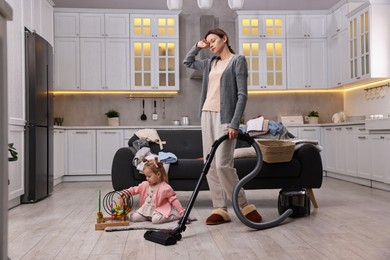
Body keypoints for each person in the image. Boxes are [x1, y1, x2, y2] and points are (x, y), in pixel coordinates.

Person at [183, 28, 262, 225]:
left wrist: (235, 122)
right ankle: (220, 208)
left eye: (213, 40)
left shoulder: (238, 61)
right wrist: (197, 46)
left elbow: (242, 95)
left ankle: (244, 205)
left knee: (223, 164)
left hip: (226, 118)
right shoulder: (210, 63)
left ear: (224, 38)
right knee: (209, 164)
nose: (210, 45)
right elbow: (188, 61)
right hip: (207, 115)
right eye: (207, 42)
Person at [120, 158, 185, 224]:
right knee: (134, 218)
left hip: (157, 211)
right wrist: (126, 192)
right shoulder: (145, 184)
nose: (147, 178)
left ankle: (173, 217)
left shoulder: (165, 188)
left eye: (149, 176)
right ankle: (147, 217)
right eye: (146, 176)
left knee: (155, 220)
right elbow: (134, 189)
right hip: (145, 210)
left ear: (158, 175)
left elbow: (174, 200)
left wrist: (182, 213)